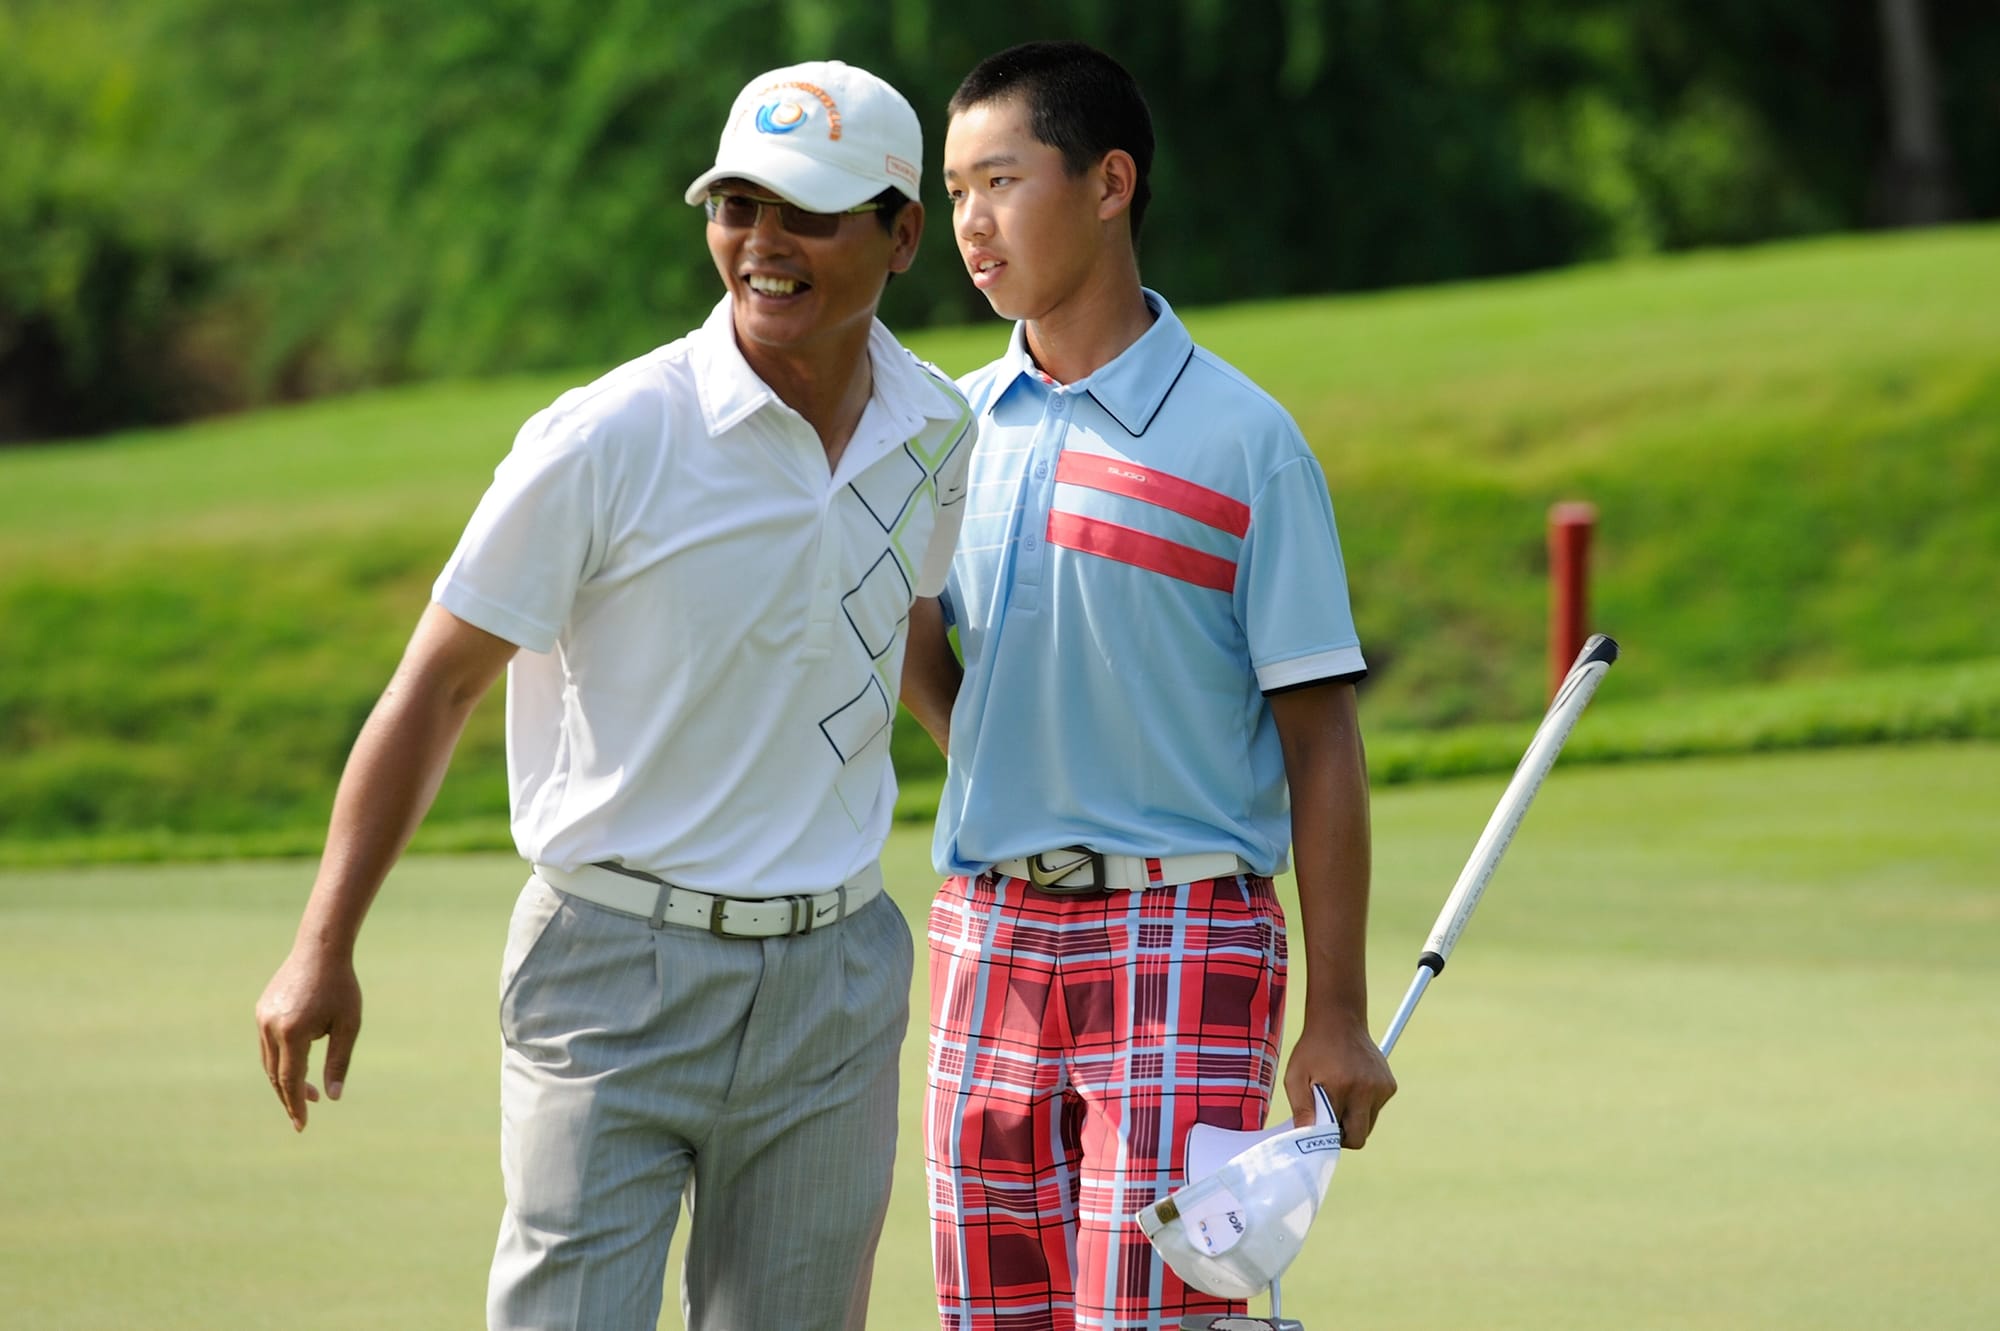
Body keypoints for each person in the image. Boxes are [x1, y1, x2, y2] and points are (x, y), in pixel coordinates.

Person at [254, 59, 972, 1331]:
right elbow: (437, 686)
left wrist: (1011, 768)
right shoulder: (607, 435)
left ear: (902, 231)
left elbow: (897, 621)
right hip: (610, 968)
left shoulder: (933, 427)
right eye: (735, 204)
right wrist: (323, 943)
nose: (761, 244)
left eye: (806, 211)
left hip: (833, 979)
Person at [901, 41, 1397, 1331]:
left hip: (1187, 934)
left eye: (999, 181)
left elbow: (1321, 741)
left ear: (1109, 181)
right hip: (987, 936)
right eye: (953, 189)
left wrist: (1335, 1012)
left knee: (1155, 1318)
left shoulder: (1244, 440)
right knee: (987, 1313)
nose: (968, 221)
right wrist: (997, 758)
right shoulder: (953, 432)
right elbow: (909, 640)